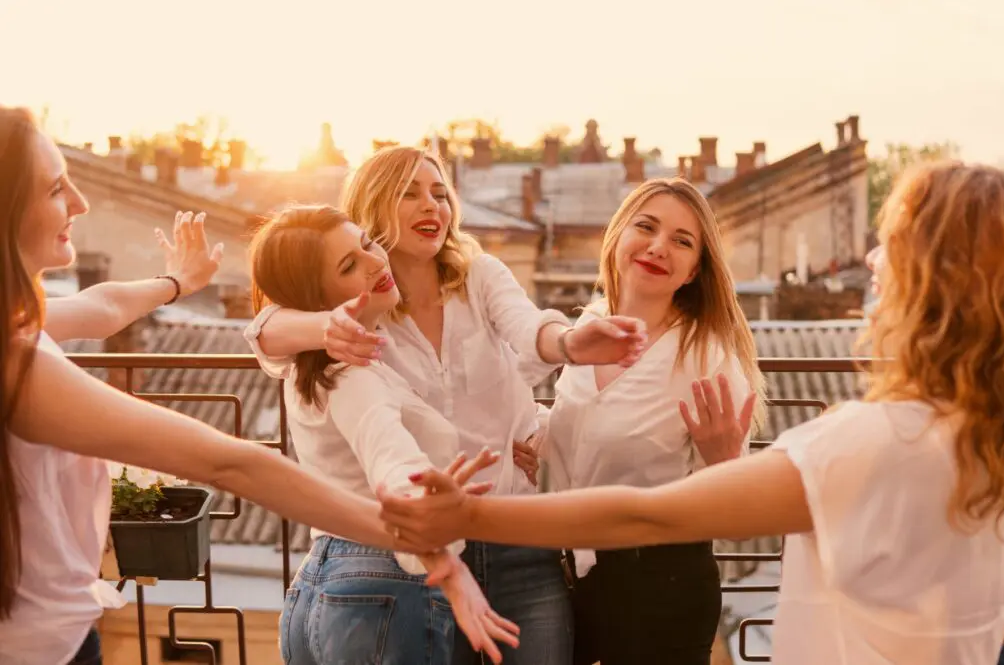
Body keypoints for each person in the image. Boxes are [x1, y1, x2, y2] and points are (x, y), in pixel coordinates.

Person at [380, 161, 1004, 665]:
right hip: (577, 574)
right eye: (646, 228)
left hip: (656, 579)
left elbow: (650, 514)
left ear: (932, 282)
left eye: (890, 247)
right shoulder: (994, 442)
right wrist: (545, 441)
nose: (869, 261)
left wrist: (468, 514)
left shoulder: (866, 438)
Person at [0, 106, 517, 665]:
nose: (79, 202)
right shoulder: (18, 367)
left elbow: (101, 307)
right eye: (56, 188)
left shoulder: (18, 320)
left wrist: (177, 281)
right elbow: (233, 463)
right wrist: (430, 550)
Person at [243, 145, 645, 665]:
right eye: (409, 193)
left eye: (440, 193)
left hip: (514, 534)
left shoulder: (478, 277)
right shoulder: (354, 326)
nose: (431, 206)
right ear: (372, 206)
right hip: (413, 556)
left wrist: (570, 344)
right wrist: (326, 326)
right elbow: (265, 333)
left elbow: (529, 329)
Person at [248, 205, 519, 664]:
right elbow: (396, 471)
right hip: (383, 584)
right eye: (349, 266)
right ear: (318, 297)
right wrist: (448, 569)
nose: (376, 263)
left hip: (318, 583)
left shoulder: (310, 367)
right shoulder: (355, 378)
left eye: (367, 245)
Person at [533, 177, 764, 665]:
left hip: (660, 590)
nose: (659, 247)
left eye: (682, 241)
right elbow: (586, 450)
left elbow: (742, 519)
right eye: (647, 227)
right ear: (617, 235)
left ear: (693, 270)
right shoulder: (585, 330)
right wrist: (537, 450)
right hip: (571, 582)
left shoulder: (703, 356)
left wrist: (726, 462)